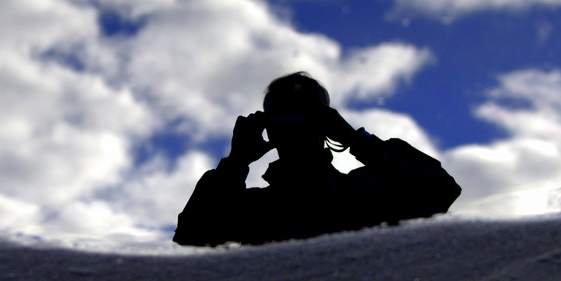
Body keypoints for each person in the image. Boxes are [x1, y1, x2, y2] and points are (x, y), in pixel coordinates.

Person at [173, 72, 461, 247]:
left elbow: (439, 189)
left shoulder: (363, 193)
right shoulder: (254, 208)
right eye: (282, 115)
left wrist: (356, 139)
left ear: (325, 122)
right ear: (269, 127)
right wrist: (236, 162)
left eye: (304, 114)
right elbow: (191, 240)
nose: (294, 123)